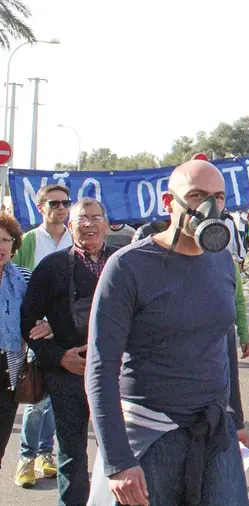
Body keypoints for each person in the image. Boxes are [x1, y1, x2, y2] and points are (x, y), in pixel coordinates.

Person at [85, 159, 249, 506]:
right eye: (196, 195)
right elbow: (100, 367)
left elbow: (224, 340)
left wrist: (236, 418)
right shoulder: (128, 266)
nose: (210, 208)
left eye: (219, 197)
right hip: (149, 436)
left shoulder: (221, 262)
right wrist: (118, 461)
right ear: (167, 202)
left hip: (214, 432)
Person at [22, 198, 118, 505]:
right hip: (67, 374)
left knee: (123, 450)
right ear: (70, 225)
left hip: (119, 375)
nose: (89, 224)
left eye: (96, 217)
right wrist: (59, 356)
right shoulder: (51, 267)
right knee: (72, 452)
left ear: (107, 223)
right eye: (82, 219)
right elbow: (28, 321)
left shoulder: (123, 262)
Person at [12, 183, 74, 488]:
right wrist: (32, 327)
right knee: (37, 398)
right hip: (38, 331)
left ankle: (46, 454)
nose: (60, 208)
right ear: (41, 208)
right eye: (54, 203)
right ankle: (26, 456)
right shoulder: (28, 242)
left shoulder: (76, 238)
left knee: (55, 397)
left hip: (70, 333)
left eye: (65, 203)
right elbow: (19, 288)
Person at [0, 213, 53, 480]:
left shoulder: (23, 277)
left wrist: (48, 325)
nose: (0, 246)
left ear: (14, 245)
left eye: (5, 240)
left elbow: (46, 311)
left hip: (9, 371)